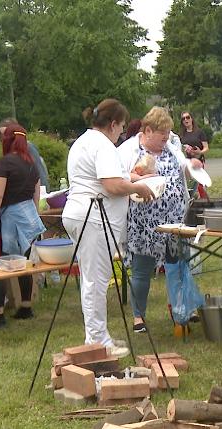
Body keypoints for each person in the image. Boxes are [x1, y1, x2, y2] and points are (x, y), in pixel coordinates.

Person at [63, 99, 154, 354]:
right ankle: (97, 343)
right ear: (112, 124)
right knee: (96, 281)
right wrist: (138, 187)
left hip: (82, 214)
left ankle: (98, 337)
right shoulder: (102, 145)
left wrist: (133, 180)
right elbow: (111, 184)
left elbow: (111, 178)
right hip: (93, 218)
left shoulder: (84, 141)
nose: (121, 133)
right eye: (121, 127)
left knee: (94, 279)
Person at [118, 107, 201, 333]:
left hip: (173, 219)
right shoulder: (128, 150)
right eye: (162, 135)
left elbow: (183, 170)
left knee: (176, 265)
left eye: (168, 135)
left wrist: (192, 166)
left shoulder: (172, 149)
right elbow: (120, 177)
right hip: (144, 222)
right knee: (142, 270)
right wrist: (139, 177)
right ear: (147, 131)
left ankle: (180, 311)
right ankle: (138, 317)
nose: (166, 139)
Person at [0, 123, 46, 330]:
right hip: (29, 217)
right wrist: (32, 217)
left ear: (7, 140)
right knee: (24, 263)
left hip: (9, 219)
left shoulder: (5, 162)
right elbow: (36, 195)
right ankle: (26, 306)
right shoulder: (32, 162)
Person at [0, 117, 50, 189]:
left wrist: (43, 191)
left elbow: (39, 170)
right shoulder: (8, 151)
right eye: (2, 134)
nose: (4, 138)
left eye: (6, 134)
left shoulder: (27, 146)